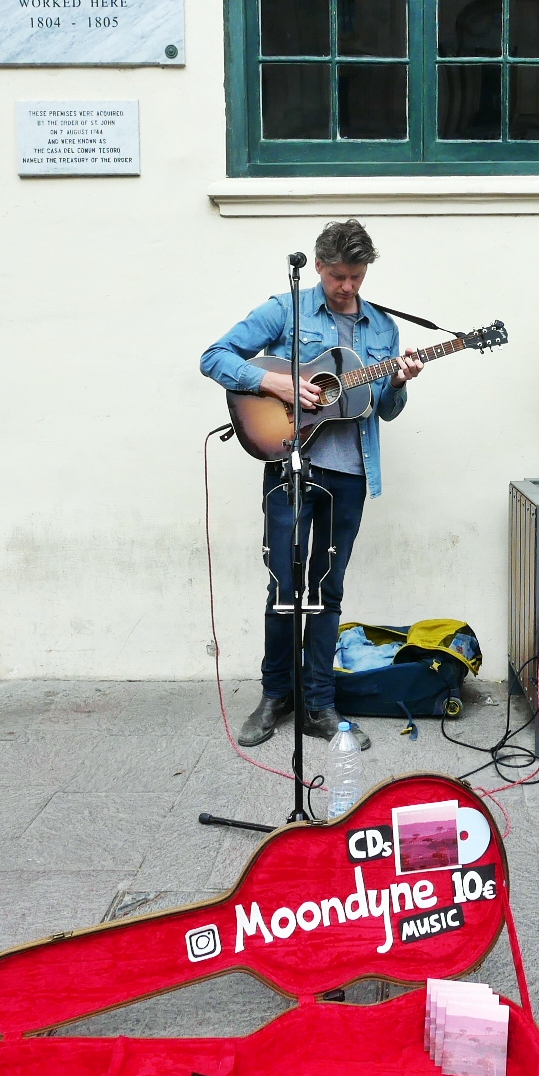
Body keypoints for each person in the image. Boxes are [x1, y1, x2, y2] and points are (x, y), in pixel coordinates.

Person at [200, 220, 424, 746]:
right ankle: (274, 695)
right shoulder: (285, 309)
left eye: (357, 276)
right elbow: (215, 357)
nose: (348, 286)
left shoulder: (383, 328)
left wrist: (397, 382)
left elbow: (385, 411)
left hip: (349, 474)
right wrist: (273, 380)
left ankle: (320, 704)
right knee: (284, 585)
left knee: (328, 589)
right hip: (290, 466)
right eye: (339, 276)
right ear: (319, 267)